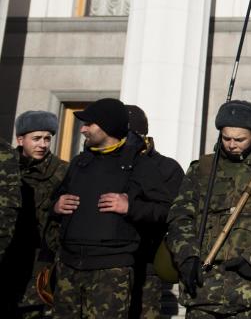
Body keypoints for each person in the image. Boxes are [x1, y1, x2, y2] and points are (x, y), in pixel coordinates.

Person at [166, 100, 251, 318]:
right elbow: (179, 218)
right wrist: (187, 257)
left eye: (239, 139)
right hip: (203, 293)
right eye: (226, 138)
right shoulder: (201, 170)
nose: (231, 144)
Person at [49, 98, 144, 317]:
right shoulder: (79, 162)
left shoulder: (139, 163)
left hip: (110, 269)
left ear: (107, 126)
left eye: (89, 124)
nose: (82, 130)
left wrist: (130, 207)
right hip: (69, 265)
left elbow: (163, 210)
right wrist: (57, 205)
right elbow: (52, 203)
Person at [0, 111, 66, 318]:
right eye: (36, 138)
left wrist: (56, 209)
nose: (43, 144)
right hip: (7, 252)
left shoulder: (62, 171)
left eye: (47, 138)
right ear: (20, 139)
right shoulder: (7, 167)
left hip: (39, 259)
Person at [125, 105, 184, 319]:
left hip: (147, 264)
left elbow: (172, 213)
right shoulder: (106, 163)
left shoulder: (166, 168)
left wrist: (131, 208)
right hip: (107, 263)